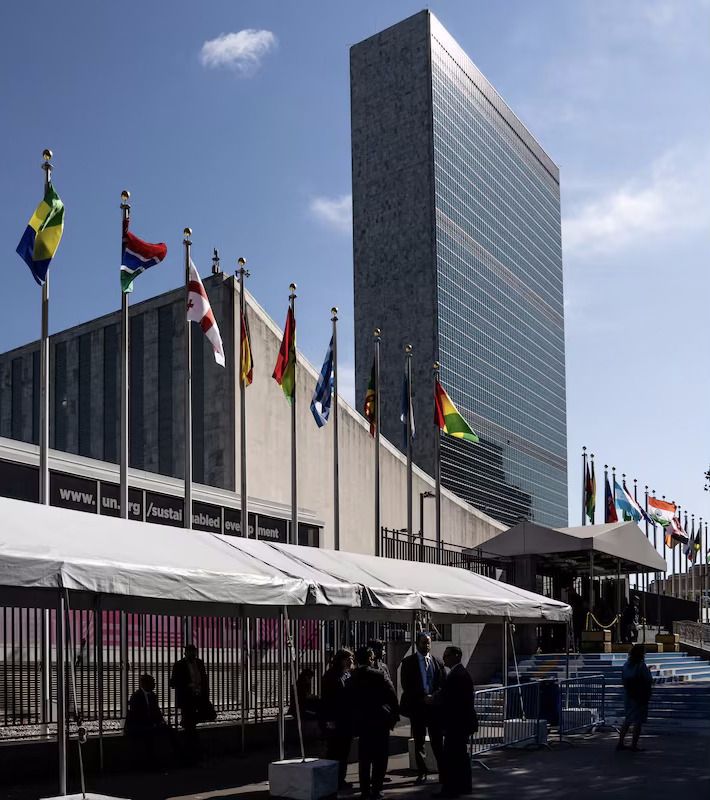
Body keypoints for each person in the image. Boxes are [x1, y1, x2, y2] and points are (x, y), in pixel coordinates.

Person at [349, 646, 399, 800]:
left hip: (362, 723)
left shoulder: (352, 676)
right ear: (370, 659)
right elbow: (392, 695)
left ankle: (365, 791)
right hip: (380, 721)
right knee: (380, 757)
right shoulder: (379, 674)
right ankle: (376, 789)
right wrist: (393, 717)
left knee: (364, 759)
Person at [399, 632, 445, 784]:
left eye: (428, 642)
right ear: (417, 643)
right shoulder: (408, 662)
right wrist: (422, 697)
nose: (426, 646)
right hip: (418, 707)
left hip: (434, 708)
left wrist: (434, 696)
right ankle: (422, 772)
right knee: (419, 741)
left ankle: (443, 772)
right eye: (424, 642)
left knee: (437, 740)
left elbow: (442, 684)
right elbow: (406, 686)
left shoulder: (437, 662)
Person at [431, 647, 476, 798]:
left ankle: (451, 788)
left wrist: (434, 698)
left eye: (447, 655)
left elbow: (450, 698)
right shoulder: (458, 673)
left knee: (452, 756)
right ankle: (463, 786)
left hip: (456, 724)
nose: (444, 658)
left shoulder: (458, 675)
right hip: (460, 723)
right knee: (460, 756)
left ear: (456, 656)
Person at [170, 644, 215, 760]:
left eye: (193, 652)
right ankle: (193, 753)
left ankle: (187, 722)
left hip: (199, 697)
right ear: (185, 653)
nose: (192, 654)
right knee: (190, 729)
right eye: (190, 652)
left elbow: (204, 678)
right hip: (187, 698)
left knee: (210, 715)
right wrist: (188, 685)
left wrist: (205, 692)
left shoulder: (199, 663)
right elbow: (173, 682)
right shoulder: (179, 665)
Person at [320, 649, 354, 790]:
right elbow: (327, 700)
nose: (352, 661)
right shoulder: (331, 676)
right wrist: (329, 719)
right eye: (349, 658)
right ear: (342, 660)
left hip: (346, 719)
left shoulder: (347, 674)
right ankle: (333, 780)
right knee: (334, 751)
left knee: (344, 751)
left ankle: (340, 779)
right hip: (335, 719)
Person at [124, 673, 167, 768]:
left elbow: (156, 711)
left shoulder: (152, 695)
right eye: (152, 683)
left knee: (168, 731)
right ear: (145, 684)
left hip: (148, 724)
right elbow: (137, 715)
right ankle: (151, 763)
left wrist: (161, 721)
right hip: (139, 725)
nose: (154, 685)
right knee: (149, 735)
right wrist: (153, 723)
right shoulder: (136, 696)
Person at [617, 644, 652, 752]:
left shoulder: (626, 665)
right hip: (639, 696)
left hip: (629, 694)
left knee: (628, 719)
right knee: (638, 721)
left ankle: (620, 742)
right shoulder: (641, 666)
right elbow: (647, 680)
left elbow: (623, 679)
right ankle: (634, 745)